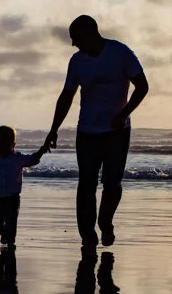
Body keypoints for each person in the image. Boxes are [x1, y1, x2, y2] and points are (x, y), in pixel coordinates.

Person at [44, 16, 149, 248]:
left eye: (76, 38)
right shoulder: (77, 61)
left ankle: (106, 222)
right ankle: (87, 234)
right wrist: (54, 129)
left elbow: (142, 86)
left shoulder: (121, 53)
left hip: (116, 131)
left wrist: (123, 113)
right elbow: (66, 96)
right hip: (87, 132)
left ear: (90, 32)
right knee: (86, 184)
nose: (73, 44)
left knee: (112, 183)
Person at [0, 126, 46, 247]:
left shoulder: (18, 158)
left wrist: (42, 150)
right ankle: (4, 233)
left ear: (13, 144)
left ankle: (10, 242)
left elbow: (32, 159)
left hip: (12, 197)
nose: (2, 149)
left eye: (5, 145)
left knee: (11, 220)